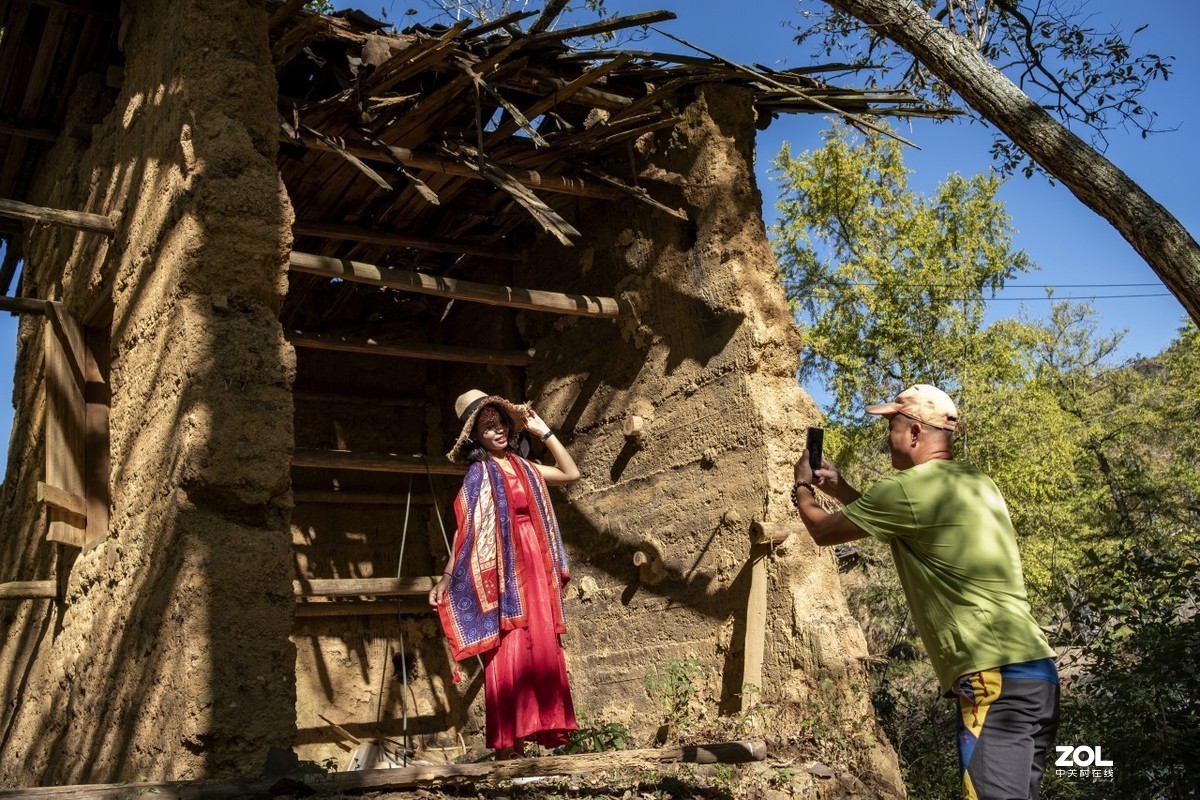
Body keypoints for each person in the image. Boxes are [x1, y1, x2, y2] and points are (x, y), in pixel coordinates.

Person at [790, 384, 1059, 800]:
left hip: (991, 676)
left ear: (915, 432)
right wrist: (840, 488)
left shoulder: (907, 488)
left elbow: (824, 531)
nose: (887, 439)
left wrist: (802, 488)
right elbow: (902, 524)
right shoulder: (977, 482)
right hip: (1036, 674)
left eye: (891, 428)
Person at [429, 389, 580, 759]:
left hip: (536, 564)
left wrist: (543, 432)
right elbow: (465, 532)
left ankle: (533, 741)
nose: (496, 431)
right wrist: (447, 576)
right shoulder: (478, 475)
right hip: (503, 572)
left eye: (500, 423)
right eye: (486, 427)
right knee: (510, 649)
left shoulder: (527, 468)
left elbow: (570, 472)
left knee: (541, 645)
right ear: (476, 438)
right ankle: (509, 749)